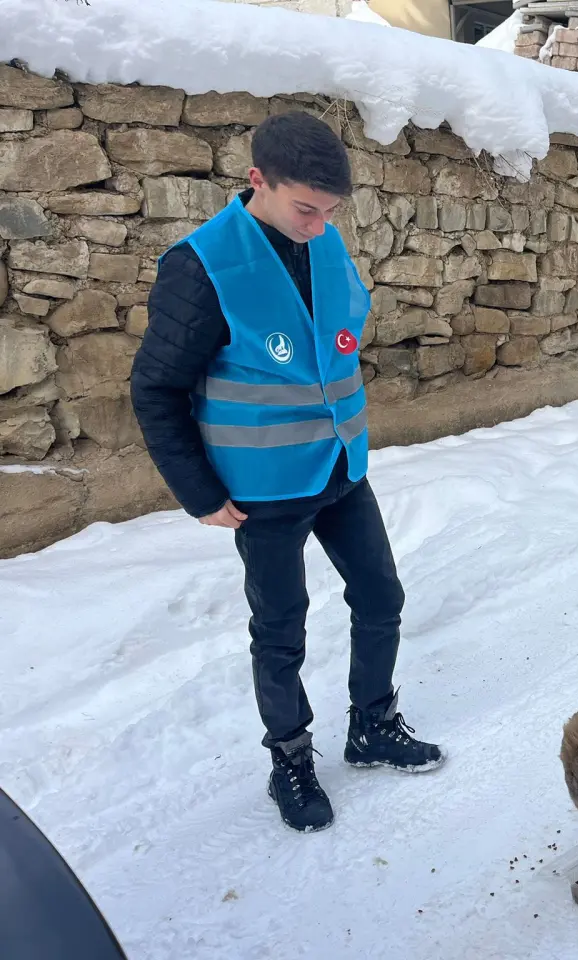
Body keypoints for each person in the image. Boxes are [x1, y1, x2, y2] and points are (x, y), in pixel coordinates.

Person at [130, 111, 444, 834]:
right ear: (258, 182)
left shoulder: (321, 238)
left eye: (331, 211)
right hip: (262, 491)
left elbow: (335, 331)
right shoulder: (201, 266)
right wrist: (199, 492)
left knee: (381, 597)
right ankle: (291, 759)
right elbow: (155, 388)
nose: (320, 225)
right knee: (281, 631)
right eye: (307, 208)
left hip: (340, 466)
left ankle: (372, 726)